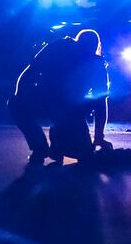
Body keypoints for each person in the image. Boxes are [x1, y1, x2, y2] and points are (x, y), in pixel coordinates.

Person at [8, 29, 111, 165]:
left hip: (68, 108)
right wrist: (20, 94)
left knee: (83, 154)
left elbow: (100, 102)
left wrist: (99, 136)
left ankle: (57, 144)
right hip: (47, 99)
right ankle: (41, 147)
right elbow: (33, 68)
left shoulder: (94, 64)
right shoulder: (60, 47)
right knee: (15, 104)